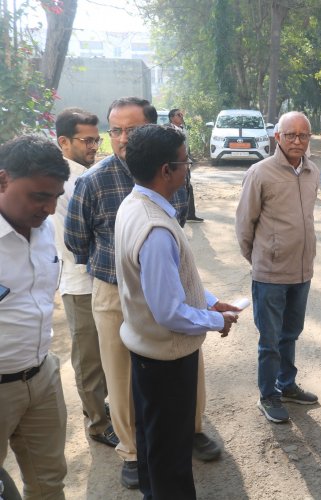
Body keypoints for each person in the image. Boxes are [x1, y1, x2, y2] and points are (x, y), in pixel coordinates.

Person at [65, 96, 221, 489]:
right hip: (115, 292)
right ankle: (133, 451)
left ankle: (190, 430)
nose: (121, 138)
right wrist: (216, 317)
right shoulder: (94, 181)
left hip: (166, 283)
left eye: (130, 130)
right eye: (114, 130)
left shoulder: (162, 182)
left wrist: (198, 297)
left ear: (151, 130)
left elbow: (178, 221)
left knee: (180, 375)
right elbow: (76, 240)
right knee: (123, 377)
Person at [115, 125, 238, 499]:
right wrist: (217, 320)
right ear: (166, 170)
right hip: (166, 361)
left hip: (146, 352)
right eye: (185, 163)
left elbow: (172, 283)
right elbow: (169, 311)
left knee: (154, 442)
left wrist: (208, 299)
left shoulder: (134, 204)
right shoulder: (155, 227)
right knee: (171, 455)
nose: (188, 170)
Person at [235, 111, 320, 424]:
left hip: (302, 271)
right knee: (269, 340)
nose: (297, 141)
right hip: (270, 274)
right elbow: (245, 224)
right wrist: (259, 258)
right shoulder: (260, 173)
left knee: (291, 333)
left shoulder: (312, 172)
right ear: (277, 137)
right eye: (290, 135)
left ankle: (286, 385)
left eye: (303, 135)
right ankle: (267, 394)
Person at [0, 135, 70, 498]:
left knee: (49, 481)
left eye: (55, 197)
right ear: (2, 181)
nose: (48, 208)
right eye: (39, 196)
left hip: (42, 378)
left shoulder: (46, 231)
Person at [52, 107, 119, 449]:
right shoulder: (68, 182)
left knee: (106, 353)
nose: (95, 145)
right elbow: (79, 238)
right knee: (90, 359)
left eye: (97, 138)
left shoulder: (87, 173)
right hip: (80, 282)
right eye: (87, 140)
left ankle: (101, 408)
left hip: (98, 279)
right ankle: (97, 422)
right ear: (63, 141)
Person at [168, 108, 203, 223]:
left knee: (188, 187)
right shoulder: (168, 129)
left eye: (182, 114)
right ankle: (177, 215)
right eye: (179, 115)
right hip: (175, 164)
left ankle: (190, 214)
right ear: (172, 118)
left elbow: (186, 147)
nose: (181, 116)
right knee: (178, 188)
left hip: (185, 163)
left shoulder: (183, 129)